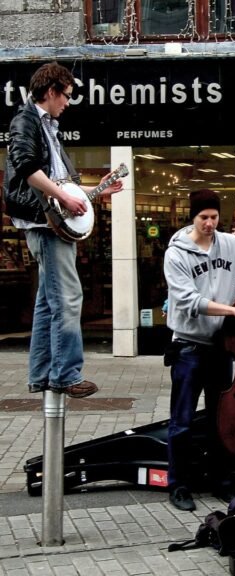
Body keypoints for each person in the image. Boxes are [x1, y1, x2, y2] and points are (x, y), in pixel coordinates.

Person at [3, 61, 124, 398]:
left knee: (47, 302)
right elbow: (28, 169)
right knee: (69, 299)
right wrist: (65, 199)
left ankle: (41, 373)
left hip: (47, 220)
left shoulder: (47, 127)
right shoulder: (26, 120)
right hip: (43, 222)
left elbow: (61, 187)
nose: (68, 103)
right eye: (66, 96)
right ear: (52, 91)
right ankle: (66, 375)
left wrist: (94, 191)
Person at [163, 189, 235, 511]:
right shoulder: (176, 253)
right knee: (182, 420)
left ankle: (221, 480)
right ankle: (179, 484)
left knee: (221, 418)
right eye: (204, 218)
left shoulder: (229, 243)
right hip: (188, 345)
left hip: (222, 347)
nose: (210, 223)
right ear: (193, 217)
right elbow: (190, 302)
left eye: (214, 217)